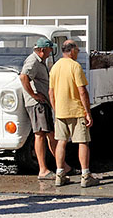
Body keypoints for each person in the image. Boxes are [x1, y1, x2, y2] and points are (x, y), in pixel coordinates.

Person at [48, 40, 98, 188]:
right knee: (83, 142)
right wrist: (88, 112)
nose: (78, 52)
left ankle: (59, 174)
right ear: (72, 51)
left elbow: (51, 92)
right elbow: (82, 91)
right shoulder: (75, 66)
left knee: (61, 142)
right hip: (76, 110)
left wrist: (56, 108)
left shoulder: (55, 67)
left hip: (61, 111)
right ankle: (85, 175)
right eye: (77, 50)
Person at [19, 37, 59, 179]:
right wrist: (34, 95)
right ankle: (43, 169)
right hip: (37, 105)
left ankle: (61, 166)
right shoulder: (33, 61)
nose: (50, 52)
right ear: (42, 50)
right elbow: (23, 76)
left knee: (49, 133)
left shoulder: (39, 61)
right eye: (49, 49)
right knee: (41, 134)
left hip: (42, 103)